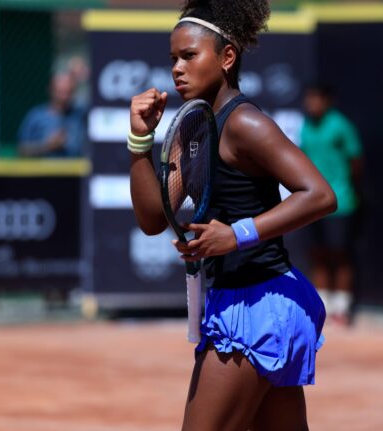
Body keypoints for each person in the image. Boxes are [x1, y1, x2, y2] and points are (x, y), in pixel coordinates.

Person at [128, 1, 336, 430]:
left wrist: (238, 234)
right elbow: (152, 219)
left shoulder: (244, 124)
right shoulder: (192, 128)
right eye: (173, 59)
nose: (177, 69)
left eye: (189, 56)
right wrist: (140, 141)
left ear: (227, 57)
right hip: (244, 301)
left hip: (259, 306)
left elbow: (319, 195)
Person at [300, 83, 363, 327]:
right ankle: (322, 306)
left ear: (328, 101)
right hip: (312, 204)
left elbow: (356, 162)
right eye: (309, 98)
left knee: (340, 254)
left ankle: (342, 308)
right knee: (318, 254)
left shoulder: (341, 126)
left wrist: (346, 188)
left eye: (316, 98)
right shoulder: (306, 126)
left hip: (341, 202)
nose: (311, 103)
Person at [17, 72, 86, 157]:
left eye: (68, 92)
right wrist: (47, 146)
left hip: (76, 165)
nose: (64, 97)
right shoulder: (36, 116)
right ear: (50, 90)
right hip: (44, 165)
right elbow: (21, 150)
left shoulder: (80, 115)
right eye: (60, 92)